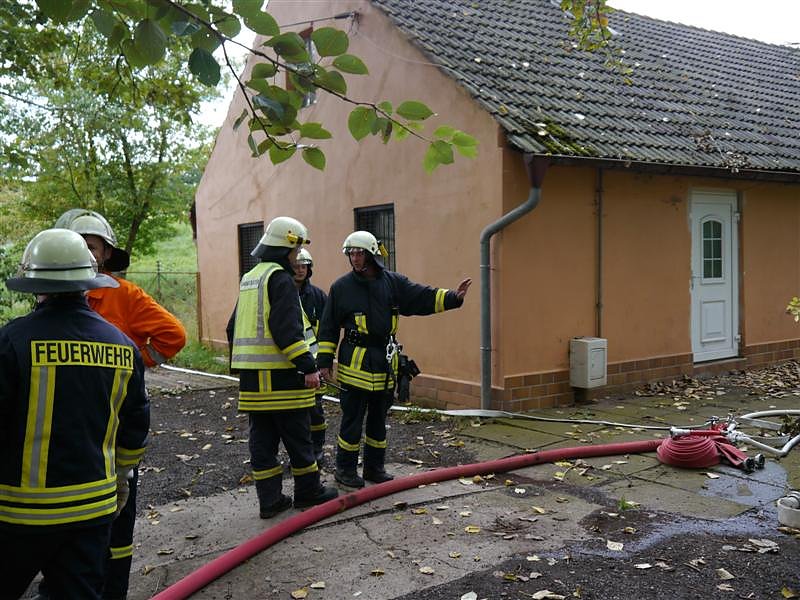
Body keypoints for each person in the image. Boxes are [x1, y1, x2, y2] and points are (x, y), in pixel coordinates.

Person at [35, 209, 186, 600]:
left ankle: (111, 588)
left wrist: (137, 360)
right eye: (78, 243)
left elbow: (174, 335)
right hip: (55, 422)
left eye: (93, 245)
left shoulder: (124, 296)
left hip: (111, 426)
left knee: (115, 515)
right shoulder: (46, 293)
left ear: (105, 253)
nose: (85, 252)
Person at [0, 229, 150, 600]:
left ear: (37, 286)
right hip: (92, 511)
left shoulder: (11, 342)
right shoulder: (122, 346)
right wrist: (121, 478)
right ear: (88, 283)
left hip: (18, 515)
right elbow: (135, 428)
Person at [317, 231, 471, 488]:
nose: (355, 258)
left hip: (384, 362)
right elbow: (328, 326)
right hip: (355, 363)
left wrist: (453, 298)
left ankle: (374, 468)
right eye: (351, 253)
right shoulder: (341, 287)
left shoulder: (392, 282)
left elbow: (420, 296)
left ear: (371, 255)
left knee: (378, 419)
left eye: (359, 253)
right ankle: (344, 470)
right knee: (352, 420)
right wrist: (323, 361)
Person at [230, 216, 338, 518]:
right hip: (283, 381)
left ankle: (270, 501)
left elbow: (232, 326)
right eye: (296, 249)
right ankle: (308, 492)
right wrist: (309, 366)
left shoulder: (251, 277)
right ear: (285, 247)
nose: (298, 257)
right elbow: (286, 330)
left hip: (253, 383)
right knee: (299, 440)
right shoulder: (280, 279)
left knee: (262, 444)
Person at [292, 247, 328, 464]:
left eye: (303, 266)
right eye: (296, 266)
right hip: (291, 365)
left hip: (314, 365)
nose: (300, 270)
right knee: (296, 414)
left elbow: (327, 330)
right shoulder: (282, 293)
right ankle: (301, 453)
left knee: (316, 410)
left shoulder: (317, 296)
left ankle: (317, 448)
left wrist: (323, 362)